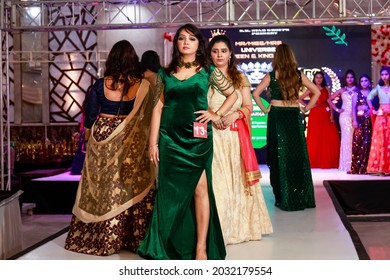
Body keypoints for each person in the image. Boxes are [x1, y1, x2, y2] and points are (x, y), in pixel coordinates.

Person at [137, 24, 238, 260]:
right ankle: (169, 243)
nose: (185, 42)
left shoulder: (208, 71)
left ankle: (201, 247)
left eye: (191, 39)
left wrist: (216, 114)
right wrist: (152, 144)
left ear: (198, 44)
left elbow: (232, 94)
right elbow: (158, 107)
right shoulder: (165, 73)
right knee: (169, 192)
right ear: (176, 43)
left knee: (201, 189)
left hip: (198, 137)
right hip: (169, 138)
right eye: (181, 38)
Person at [64, 40, 157, 256]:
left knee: (104, 187)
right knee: (128, 185)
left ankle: (101, 239)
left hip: (102, 134)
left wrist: (87, 140)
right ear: (133, 60)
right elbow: (150, 115)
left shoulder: (99, 85)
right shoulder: (142, 85)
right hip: (130, 136)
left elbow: (90, 116)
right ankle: (132, 237)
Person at [206, 35, 272, 244]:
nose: (219, 55)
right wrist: (213, 116)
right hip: (212, 136)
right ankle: (218, 230)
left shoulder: (239, 77)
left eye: (223, 51)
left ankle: (237, 227)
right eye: (215, 51)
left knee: (235, 181)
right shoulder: (204, 76)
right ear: (209, 53)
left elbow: (248, 106)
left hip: (234, 137)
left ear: (230, 53)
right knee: (217, 183)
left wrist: (235, 114)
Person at [252, 43, 320, 211]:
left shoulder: (271, 75)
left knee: (278, 156)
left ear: (276, 57)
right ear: (291, 56)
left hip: (276, 116)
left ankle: (283, 196)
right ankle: (298, 195)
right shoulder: (298, 75)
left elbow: (255, 93)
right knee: (296, 156)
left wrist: (265, 108)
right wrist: (306, 107)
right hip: (293, 115)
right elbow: (316, 92)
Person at [298, 71, 340, 168]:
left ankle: (326, 160)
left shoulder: (326, 89)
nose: (319, 79)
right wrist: (309, 105)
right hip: (315, 114)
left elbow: (330, 102)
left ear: (323, 79)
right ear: (314, 78)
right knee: (315, 136)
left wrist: (332, 115)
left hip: (325, 113)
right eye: (317, 77)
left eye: (320, 77)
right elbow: (299, 99)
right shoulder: (311, 88)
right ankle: (315, 160)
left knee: (326, 137)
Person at [327, 69, 359, 172]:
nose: (350, 79)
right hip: (344, 116)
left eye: (351, 77)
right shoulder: (342, 90)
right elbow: (329, 99)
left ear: (354, 78)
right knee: (346, 139)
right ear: (345, 79)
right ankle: (345, 165)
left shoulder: (357, 90)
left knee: (354, 139)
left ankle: (354, 164)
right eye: (348, 77)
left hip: (355, 116)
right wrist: (337, 109)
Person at [366, 66, 390, 176]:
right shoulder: (378, 88)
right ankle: (380, 167)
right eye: (382, 74)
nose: (385, 76)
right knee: (381, 140)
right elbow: (369, 98)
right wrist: (372, 109)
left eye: (386, 74)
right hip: (381, 116)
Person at [350, 74, 372, 174]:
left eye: (366, 81)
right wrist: (354, 120)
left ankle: (368, 167)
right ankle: (357, 167)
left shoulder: (372, 93)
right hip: (360, 120)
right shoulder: (356, 93)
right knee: (358, 142)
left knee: (368, 143)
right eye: (362, 81)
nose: (364, 83)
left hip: (370, 121)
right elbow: (353, 108)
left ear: (369, 82)